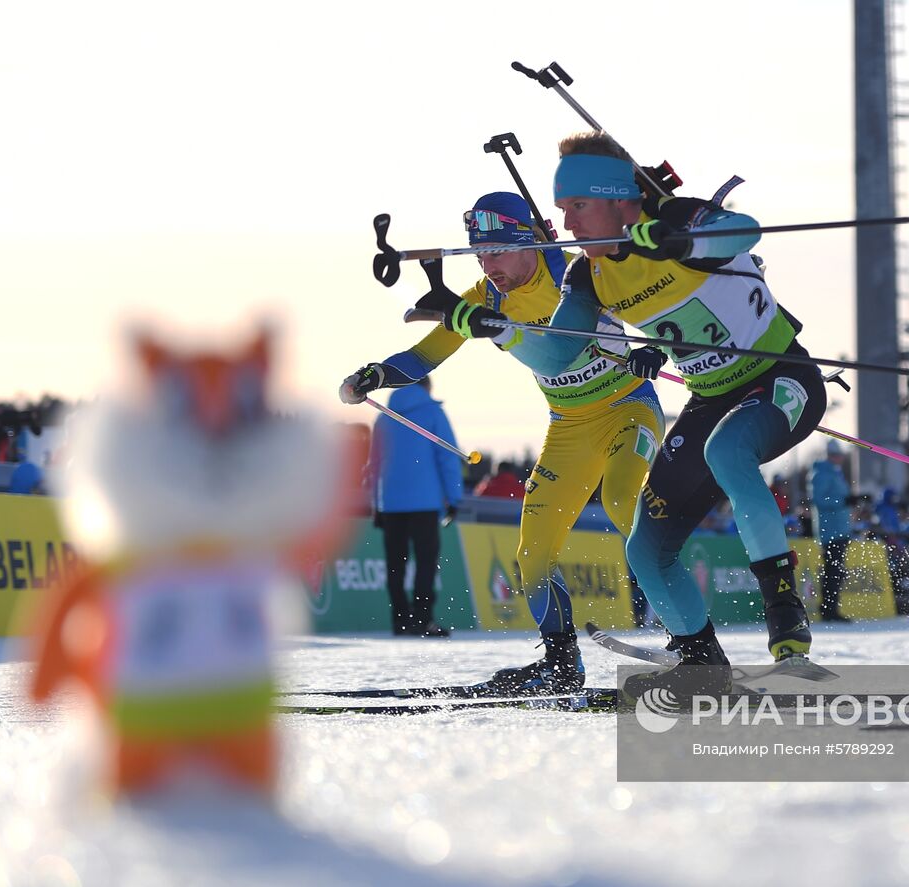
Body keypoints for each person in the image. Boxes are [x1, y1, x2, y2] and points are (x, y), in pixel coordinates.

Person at [422, 133, 829, 699]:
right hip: (710, 399)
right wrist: (487, 325)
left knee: (727, 452)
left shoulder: (672, 217)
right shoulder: (586, 275)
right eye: (562, 211)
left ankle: (787, 619)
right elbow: (557, 354)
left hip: (780, 379)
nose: (566, 226)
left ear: (618, 198)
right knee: (644, 547)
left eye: (576, 208)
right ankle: (701, 668)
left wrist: (679, 237)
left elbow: (745, 232)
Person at [344, 191, 664, 694]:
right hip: (570, 425)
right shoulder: (484, 299)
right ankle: (561, 664)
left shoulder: (575, 271)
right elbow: (424, 356)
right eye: (479, 255)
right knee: (532, 554)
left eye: (495, 251)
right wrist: (376, 373)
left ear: (526, 243)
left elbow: (656, 304)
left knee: (623, 499)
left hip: (629, 409)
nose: (486, 265)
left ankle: (691, 640)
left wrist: (656, 349)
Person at [366, 377, 463, 637]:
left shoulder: (384, 418)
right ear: (427, 387)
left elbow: (374, 464)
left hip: (391, 503)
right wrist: (454, 499)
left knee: (395, 565)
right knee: (425, 563)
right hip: (425, 502)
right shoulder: (432, 412)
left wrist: (377, 504)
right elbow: (447, 456)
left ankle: (400, 621)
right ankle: (422, 620)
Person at [809, 440, 854, 621]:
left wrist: (849, 500)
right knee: (832, 571)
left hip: (840, 529)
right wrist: (843, 501)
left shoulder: (835, 473)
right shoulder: (821, 473)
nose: (840, 459)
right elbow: (819, 500)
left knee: (836, 571)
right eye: (838, 455)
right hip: (830, 531)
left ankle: (831, 608)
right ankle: (828, 610)